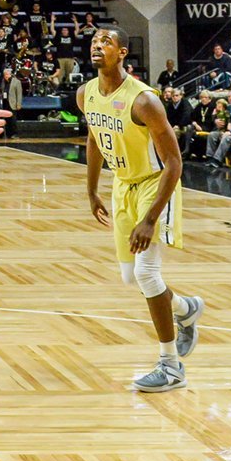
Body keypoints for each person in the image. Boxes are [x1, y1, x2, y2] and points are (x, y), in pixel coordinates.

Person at [80, 28, 203, 393]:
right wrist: (91, 190)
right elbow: (94, 138)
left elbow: (175, 163)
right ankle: (184, 308)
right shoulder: (85, 93)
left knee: (148, 274)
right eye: (93, 42)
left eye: (105, 42)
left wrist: (150, 219)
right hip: (123, 184)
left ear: (122, 52)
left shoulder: (144, 101)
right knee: (131, 278)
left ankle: (170, 365)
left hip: (154, 182)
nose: (97, 46)